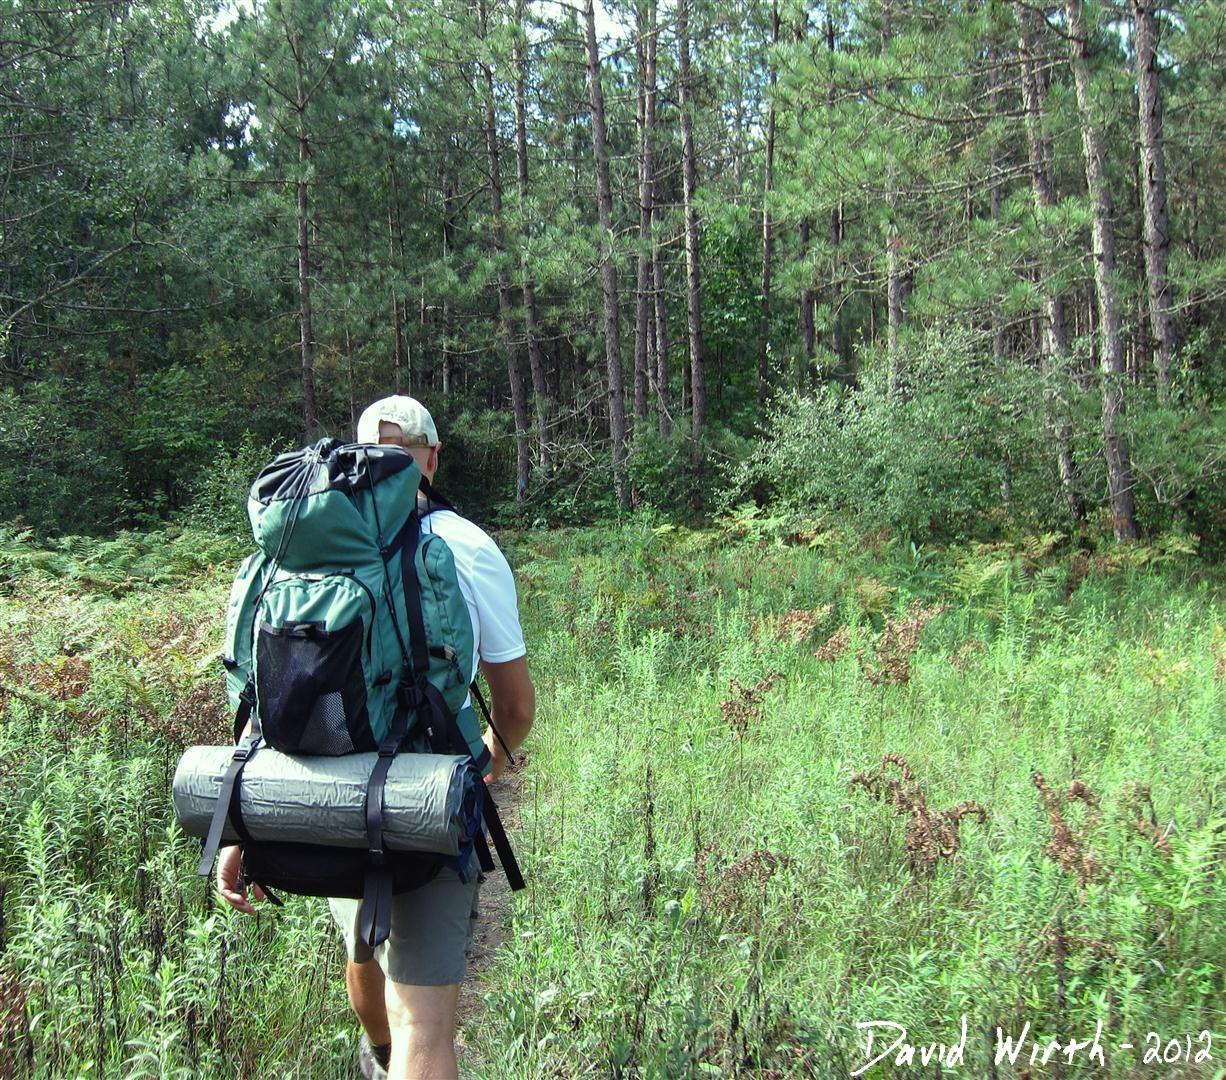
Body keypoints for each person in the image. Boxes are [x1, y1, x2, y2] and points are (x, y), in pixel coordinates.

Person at [216, 395, 536, 1080]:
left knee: (363, 947)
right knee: (425, 1021)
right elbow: (514, 707)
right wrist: (485, 764)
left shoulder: (301, 550)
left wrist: (240, 824)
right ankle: (399, 1060)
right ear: (432, 456)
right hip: (420, 796)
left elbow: (262, 693)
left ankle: (380, 1060)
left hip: (321, 796)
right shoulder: (464, 545)